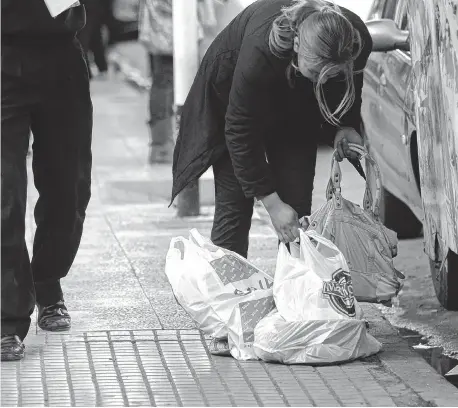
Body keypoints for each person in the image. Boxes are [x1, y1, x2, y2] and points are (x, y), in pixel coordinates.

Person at [171, 0, 372, 257]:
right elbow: (240, 129)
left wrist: (345, 124)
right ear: (297, 45)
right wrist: (272, 204)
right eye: (316, 72)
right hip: (234, 102)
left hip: (296, 113)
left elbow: (349, 84)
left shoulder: (356, 42)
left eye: (331, 75)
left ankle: (292, 290)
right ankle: (228, 289)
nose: (323, 81)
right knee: (235, 205)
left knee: (296, 207)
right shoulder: (260, 50)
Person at [1, 0, 93, 361]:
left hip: (61, 57)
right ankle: (7, 318)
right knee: (4, 193)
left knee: (68, 187)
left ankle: (47, 279)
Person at [78, 0, 111, 79]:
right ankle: (102, 68)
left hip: (86, 8)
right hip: (94, 8)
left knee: (83, 40)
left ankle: (86, 71)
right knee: (95, 38)